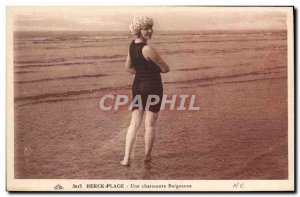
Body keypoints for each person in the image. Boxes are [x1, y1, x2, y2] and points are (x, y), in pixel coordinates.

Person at [120, 16, 170, 166]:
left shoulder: (131, 46)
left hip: (138, 86)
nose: (150, 31)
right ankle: (147, 157)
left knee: (134, 123)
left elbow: (128, 67)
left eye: (150, 27)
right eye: (146, 28)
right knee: (150, 124)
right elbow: (166, 69)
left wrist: (142, 73)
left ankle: (126, 158)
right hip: (153, 87)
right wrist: (149, 74)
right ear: (138, 30)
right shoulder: (147, 48)